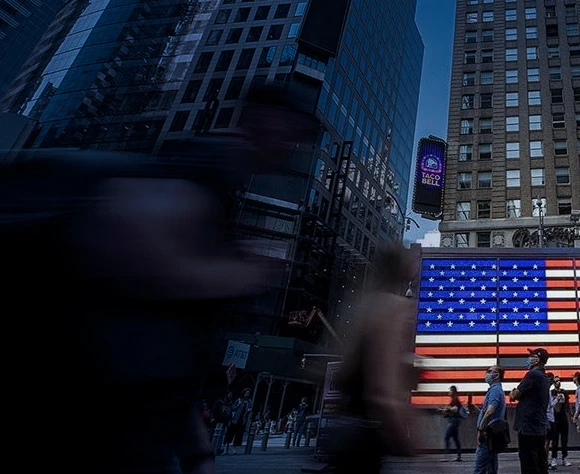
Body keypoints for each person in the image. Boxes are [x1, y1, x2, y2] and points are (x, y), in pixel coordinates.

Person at [0, 85, 304, 474]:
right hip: (97, 414)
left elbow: (173, 346)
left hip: (135, 420)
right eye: (292, 132)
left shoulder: (223, 179)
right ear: (265, 120)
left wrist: (198, 454)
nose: (293, 146)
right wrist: (234, 275)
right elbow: (125, 238)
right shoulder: (209, 163)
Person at [327, 242, 420, 473]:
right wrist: (405, 441)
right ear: (403, 268)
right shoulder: (394, 308)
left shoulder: (363, 303)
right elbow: (381, 389)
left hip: (344, 432)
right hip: (366, 440)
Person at [510, 348, 550, 474]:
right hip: (539, 426)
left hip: (528, 426)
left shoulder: (532, 375)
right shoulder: (544, 377)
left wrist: (513, 392)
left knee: (528, 462)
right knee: (540, 461)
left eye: (531, 356)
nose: (528, 359)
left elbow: (515, 395)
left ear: (537, 359)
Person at [474, 365, 506, 474]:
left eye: (489, 371)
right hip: (492, 434)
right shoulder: (497, 390)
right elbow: (488, 412)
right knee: (491, 468)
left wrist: (480, 429)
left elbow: (490, 411)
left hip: (487, 435)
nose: (486, 374)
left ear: (496, 375)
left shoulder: (495, 390)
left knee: (479, 469)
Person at [546, 376, 571, 469]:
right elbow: (550, 405)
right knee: (555, 439)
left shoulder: (563, 392)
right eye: (556, 381)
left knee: (564, 438)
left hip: (563, 417)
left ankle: (565, 457)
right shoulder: (552, 392)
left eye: (559, 381)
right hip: (555, 417)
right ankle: (554, 458)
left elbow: (567, 404)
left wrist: (571, 415)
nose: (558, 382)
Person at [440, 385, 464, 462]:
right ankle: (459, 456)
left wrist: (447, 408)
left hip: (454, 421)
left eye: (450, 391)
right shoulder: (453, 400)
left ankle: (446, 457)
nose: (449, 392)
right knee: (456, 439)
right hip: (454, 421)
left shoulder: (455, 400)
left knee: (447, 437)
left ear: (453, 392)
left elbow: (455, 410)